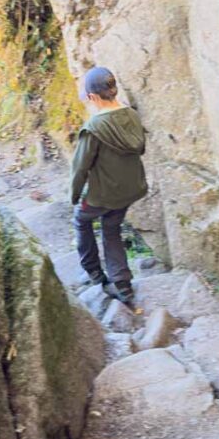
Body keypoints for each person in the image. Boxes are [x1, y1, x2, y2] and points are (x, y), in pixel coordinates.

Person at [70, 66, 147, 306]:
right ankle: (123, 284)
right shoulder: (132, 115)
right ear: (113, 90)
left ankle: (94, 273)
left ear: (92, 97)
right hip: (130, 188)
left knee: (81, 220)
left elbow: (80, 168)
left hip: (103, 194)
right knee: (111, 227)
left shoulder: (93, 128)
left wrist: (74, 195)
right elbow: (140, 148)